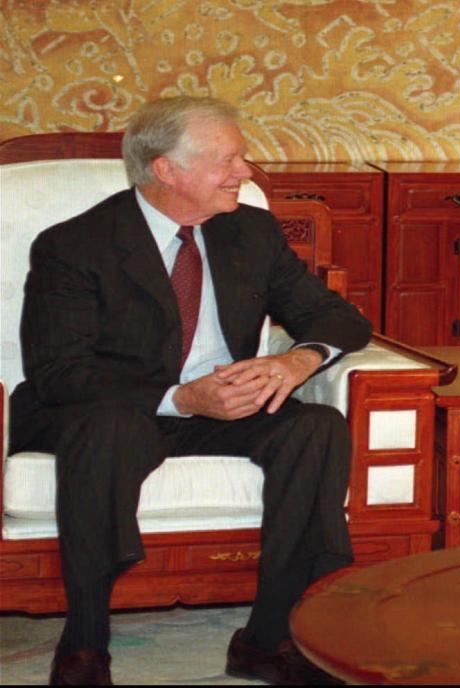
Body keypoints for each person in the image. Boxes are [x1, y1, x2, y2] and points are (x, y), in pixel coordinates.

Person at [10, 97, 371, 685]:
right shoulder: (75, 245)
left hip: (219, 407)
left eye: (243, 158)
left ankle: (270, 640)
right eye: (228, 159)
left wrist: (298, 362)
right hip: (111, 408)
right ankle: (84, 648)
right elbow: (58, 372)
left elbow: (339, 318)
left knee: (314, 427)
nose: (246, 172)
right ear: (166, 170)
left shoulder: (249, 231)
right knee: (109, 429)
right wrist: (180, 398)